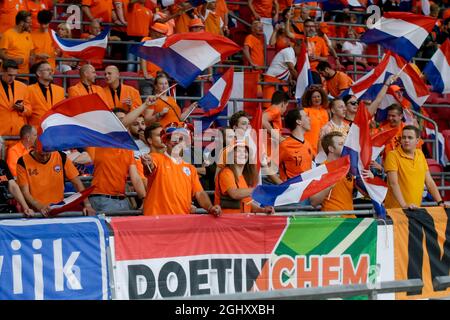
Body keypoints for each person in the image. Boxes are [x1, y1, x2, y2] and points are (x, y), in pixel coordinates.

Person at [141, 123, 222, 216]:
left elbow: (199, 193)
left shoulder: (190, 169)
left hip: (181, 220)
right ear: (166, 141)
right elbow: (150, 168)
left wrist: (210, 207)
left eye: (181, 140)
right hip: (156, 218)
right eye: (173, 139)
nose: (177, 142)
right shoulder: (155, 158)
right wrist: (148, 163)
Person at [17, 148, 95, 216]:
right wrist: (40, 206)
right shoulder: (23, 162)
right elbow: (25, 192)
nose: (44, 157)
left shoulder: (61, 156)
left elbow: (77, 183)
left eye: (47, 154)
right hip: (36, 213)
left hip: (58, 210)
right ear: (34, 149)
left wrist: (87, 205)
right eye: (41, 155)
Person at [310, 131, 373, 215]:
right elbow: (314, 202)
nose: (345, 147)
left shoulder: (349, 167)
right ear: (331, 149)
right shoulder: (321, 170)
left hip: (350, 218)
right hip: (332, 219)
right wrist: (330, 185)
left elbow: (368, 194)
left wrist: (370, 180)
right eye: (341, 144)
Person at [384, 125, 447, 209]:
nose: (406, 140)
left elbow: (429, 182)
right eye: (404, 137)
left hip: (414, 210)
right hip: (395, 211)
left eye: (410, 138)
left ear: (417, 140)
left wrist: (440, 202)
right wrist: (404, 206)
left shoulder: (420, 154)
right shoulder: (392, 155)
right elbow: (393, 183)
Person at [215, 142, 274, 214]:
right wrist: (258, 189)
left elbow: (246, 203)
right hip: (227, 221)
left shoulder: (242, 177)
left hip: (240, 221)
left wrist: (263, 210)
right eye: (238, 151)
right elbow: (234, 194)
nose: (242, 154)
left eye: (245, 151)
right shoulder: (226, 173)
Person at [86, 144, 146, 212]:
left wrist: (144, 199)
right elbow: (87, 159)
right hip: (101, 198)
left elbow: (135, 177)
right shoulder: (97, 144)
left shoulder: (128, 150)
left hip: (121, 200)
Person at [25, 61, 65, 127]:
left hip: (54, 128)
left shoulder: (60, 90)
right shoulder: (29, 89)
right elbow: (27, 110)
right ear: (39, 73)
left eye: (51, 70)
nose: (51, 72)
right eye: (47, 70)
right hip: (36, 130)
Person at [263, 40, 301, 107]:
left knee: (281, 105)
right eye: (302, 49)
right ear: (296, 46)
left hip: (280, 81)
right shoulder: (288, 52)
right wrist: (301, 80)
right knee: (268, 105)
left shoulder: (295, 56)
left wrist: (290, 80)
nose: (303, 52)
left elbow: (286, 70)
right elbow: (291, 69)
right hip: (271, 79)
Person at [279, 108, 313, 181]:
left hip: (307, 189)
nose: (309, 119)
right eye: (306, 116)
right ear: (298, 121)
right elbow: (269, 170)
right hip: (293, 190)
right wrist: (282, 187)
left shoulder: (307, 144)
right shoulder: (284, 145)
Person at [0, 59, 31, 139]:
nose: (12, 78)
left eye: (15, 75)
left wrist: (22, 108)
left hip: (18, 134)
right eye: (10, 75)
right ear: (2, 71)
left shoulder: (23, 87)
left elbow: (29, 110)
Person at [0, 11, 35, 81]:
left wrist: (33, 57)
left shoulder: (27, 35)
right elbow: (1, 54)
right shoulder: (8, 34)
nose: (31, 24)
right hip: (9, 75)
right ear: (21, 22)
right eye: (29, 22)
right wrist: (14, 60)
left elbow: (32, 52)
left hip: (25, 75)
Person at [301, 86, 329, 155]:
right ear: (310, 99)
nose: (317, 99)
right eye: (314, 97)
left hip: (322, 146)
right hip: (308, 145)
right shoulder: (306, 111)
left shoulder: (325, 112)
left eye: (318, 96)